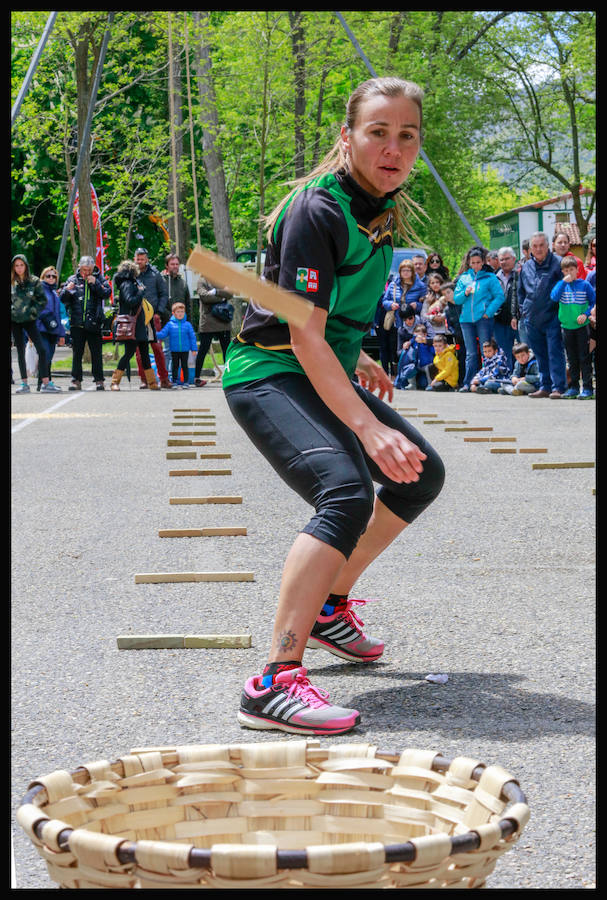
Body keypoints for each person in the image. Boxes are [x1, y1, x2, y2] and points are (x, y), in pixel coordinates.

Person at [222, 76, 445, 735]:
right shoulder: (317, 210)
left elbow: (323, 317)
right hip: (268, 373)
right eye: (377, 132)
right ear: (346, 138)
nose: (393, 147)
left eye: (406, 136)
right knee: (345, 492)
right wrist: (367, 428)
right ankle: (273, 682)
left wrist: (361, 357)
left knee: (420, 474)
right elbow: (300, 333)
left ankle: (327, 606)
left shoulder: (376, 210)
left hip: (316, 362)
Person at [518, 232, 567, 398]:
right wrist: (523, 311)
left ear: (548, 246)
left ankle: (558, 387)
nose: (538, 249)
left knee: (555, 353)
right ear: (530, 248)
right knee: (539, 355)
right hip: (531, 318)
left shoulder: (558, 264)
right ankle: (545, 386)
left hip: (553, 316)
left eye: (541, 245)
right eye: (535, 246)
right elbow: (521, 292)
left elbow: (566, 290)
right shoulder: (525, 266)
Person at [452, 246, 504, 391]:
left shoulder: (490, 277)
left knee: (485, 351)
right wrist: (465, 293)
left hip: (484, 319)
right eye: (473, 262)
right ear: (469, 263)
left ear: (483, 262)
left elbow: (499, 296)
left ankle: (485, 381)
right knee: (471, 353)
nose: (475, 265)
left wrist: (489, 312)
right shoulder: (463, 278)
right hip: (466, 320)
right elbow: (457, 299)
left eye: (478, 262)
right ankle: (468, 383)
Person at [59, 255, 110, 391]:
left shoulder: (99, 278)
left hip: (94, 322)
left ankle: (99, 380)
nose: (86, 272)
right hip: (77, 323)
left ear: (93, 268)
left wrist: (96, 283)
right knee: (77, 353)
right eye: (84, 269)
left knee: (96, 353)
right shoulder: (72, 279)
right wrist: (67, 290)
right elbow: (62, 299)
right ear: (79, 268)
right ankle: (76, 380)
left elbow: (107, 293)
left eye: (89, 270)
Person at [11, 254, 60, 393]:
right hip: (15, 320)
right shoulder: (11, 282)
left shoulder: (34, 281)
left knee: (42, 350)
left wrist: (32, 312)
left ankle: (45, 383)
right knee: (20, 351)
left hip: (30, 320)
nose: (19, 268)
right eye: (16, 266)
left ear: (26, 266)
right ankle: (24, 384)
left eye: (21, 265)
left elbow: (42, 300)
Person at [550, 255, 596, 399]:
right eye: (566, 270)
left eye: (572, 269)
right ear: (562, 272)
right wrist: (563, 282)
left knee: (584, 357)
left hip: (582, 327)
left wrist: (586, 314)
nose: (569, 273)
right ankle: (574, 387)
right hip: (566, 327)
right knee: (572, 358)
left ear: (577, 270)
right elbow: (554, 297)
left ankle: (588, 388)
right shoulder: (561, 285)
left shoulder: (585, 285)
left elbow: (593, 302)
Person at [110, 260, 158, 391]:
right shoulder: (127, 284)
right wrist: (141, 292)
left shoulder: (132, 283)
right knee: (129, 353)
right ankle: (115, 381)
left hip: (138, 325)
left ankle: (152, 382)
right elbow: (131, 301)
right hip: (133, 326)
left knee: (144, 353)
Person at [132, 248, 172, 389]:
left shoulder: (155, 275)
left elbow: (163, 295)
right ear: (134, 259)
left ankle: (164, 379)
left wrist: (158, 313)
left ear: (147, 259)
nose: (140, 261)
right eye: (137, 259)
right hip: (136, 317)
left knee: (157, 348)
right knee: (139, 351)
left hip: (152, 317)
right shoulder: (130, 275)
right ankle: (145, 379)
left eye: (142, 259)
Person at [380, 258, 426, 370]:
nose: (405, 272)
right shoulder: (393, 285)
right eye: (403, 270)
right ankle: (397, 371)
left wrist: (417, 306)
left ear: (412, 272)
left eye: (408, 270)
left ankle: (413, 372)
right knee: (396, 347)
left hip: (413, 323)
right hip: (396, 322)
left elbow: (425, 304)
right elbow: (384, 301)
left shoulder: (420, 286)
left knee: (412, 347)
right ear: (400, 272)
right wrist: (391, 304)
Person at [194, 275, 234, 386]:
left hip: (223, 321)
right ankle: (197, 377)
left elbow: (231, 293)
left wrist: (215, 291)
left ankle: (229, 376)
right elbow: (204, 297)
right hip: (208, 322)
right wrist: (222, 297)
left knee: (227, 351)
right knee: (203, 350)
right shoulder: (202, 281)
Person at [36, 266, 66, 391]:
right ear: (43, 277)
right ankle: (45, 383)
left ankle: (44, 383)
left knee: (49, 356)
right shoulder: (39, 290)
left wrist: (61, 334)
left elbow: (59, 315)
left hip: (53, 330)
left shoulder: (54, 293)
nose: (51, 278)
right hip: (41, 329)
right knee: (45, 355)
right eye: (48, 276)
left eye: (53, 276)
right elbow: (37, 310)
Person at [155, 301, 199, 388]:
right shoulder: (170, 325)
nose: (180, 314)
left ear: (184, 313)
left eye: (182, 312)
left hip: (185, 350)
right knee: (174, 366)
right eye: (178, 312)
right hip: (174, 350)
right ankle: (174, 381)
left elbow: (192, 337)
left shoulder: (188, 325)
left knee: (184, 366)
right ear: (173, 313)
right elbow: (163, 334)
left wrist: (194, 349)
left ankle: (186, 382)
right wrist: (154, 333)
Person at [495, 246, 520, 367]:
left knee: (522, 351)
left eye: (507, 259)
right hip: (499, 321)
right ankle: (507, 379)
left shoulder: (520, 274)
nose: (504, 262)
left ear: (514, 259)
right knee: (504, 353)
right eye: (501, 260)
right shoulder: (494, 278)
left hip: (518, 320)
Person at [393, 322, 436, 390]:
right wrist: (407, 344)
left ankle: (430, 384)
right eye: (416, 336)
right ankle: (412, 384)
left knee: (424, 381)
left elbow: (434, 351)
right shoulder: (413, 343)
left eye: (420, 335)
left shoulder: (427, 343)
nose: (418, 338)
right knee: (410, 369)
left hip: (427, 365)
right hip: (417, 365)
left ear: (425, 335)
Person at [440, 280, 465, 387]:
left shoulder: (463, 304)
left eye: (449, 292)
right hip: (458, 338)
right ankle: (461, 381)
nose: (447, 296)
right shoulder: (447, 310)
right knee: (461, 358)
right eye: (444, 294)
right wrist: (455, 333)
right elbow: (449, 325)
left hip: (470, 335)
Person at [162, 253, 192, 322]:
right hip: (165, 324)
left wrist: (189, 325)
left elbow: (188, 306)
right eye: (172, 264)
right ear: (166, 265)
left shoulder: (183, 283)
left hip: (181, 324)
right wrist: (172, 317)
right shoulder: (161, 282)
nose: (175, 266)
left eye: (177, 264)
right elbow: (158, 304)